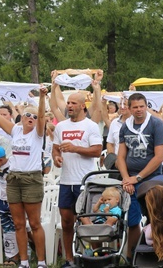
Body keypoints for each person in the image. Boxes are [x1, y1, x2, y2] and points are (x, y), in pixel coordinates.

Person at [0, 84, 48, 268]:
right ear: (21, 118)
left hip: (31, 179)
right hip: (13, 179)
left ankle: (41, 262)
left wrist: (41, 97)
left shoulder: (38, 134)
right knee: (19, 223)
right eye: (27, 115)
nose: (31, 118)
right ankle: (23, 262)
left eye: (34, 117)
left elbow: (42, 116)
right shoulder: (15, 130)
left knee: (35, 223)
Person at [52, 76, 103, 268]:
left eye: (73, 103)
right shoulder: (61, 126)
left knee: (86, 221)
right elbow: (55, 148)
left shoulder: (91, 126)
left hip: (84, 182)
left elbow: (97, 151)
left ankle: (94, 255)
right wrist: (57, 158)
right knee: (66, 222)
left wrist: (75, 149)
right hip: (66, 181)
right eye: (68, 103)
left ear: (82, 106)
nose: (69, 106)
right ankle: (69, 259)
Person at [116, 92, 163, 257]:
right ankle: (131, 255)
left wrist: (138, 177)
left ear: (146, 106)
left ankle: (159, 253)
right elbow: (121, 156)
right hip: (130, 179)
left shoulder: (156, 124)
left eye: (142, 106)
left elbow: (159, 157)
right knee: (132, 219)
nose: (139, 110)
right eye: (135, 107)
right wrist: (126, 178)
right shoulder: (126, 126)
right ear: (129, 109)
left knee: (155, 218)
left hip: (151, 178)